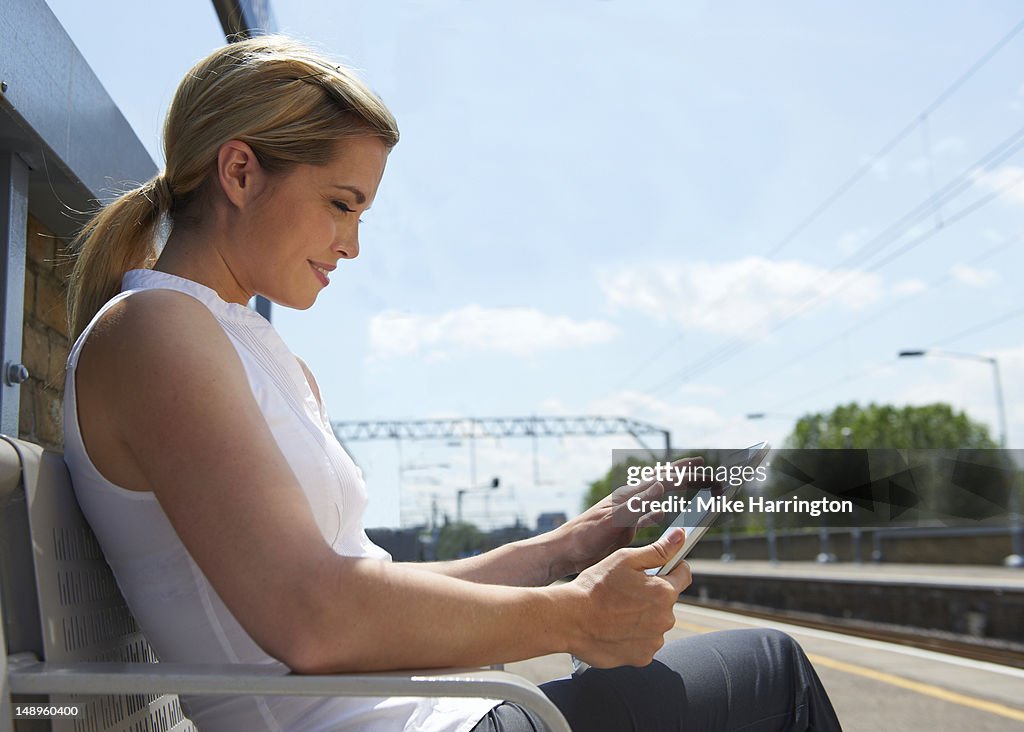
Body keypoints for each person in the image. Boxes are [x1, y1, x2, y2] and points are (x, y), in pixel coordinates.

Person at [63, 35, 841, 731]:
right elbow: (314, 617)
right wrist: (574, 617)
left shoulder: (245, 349)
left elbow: (360, 582)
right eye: (342, 204)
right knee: (775, 675)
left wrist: (564, 547)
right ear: (240, 171)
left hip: (426, 712)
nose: (353, 245)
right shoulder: (155, 333)